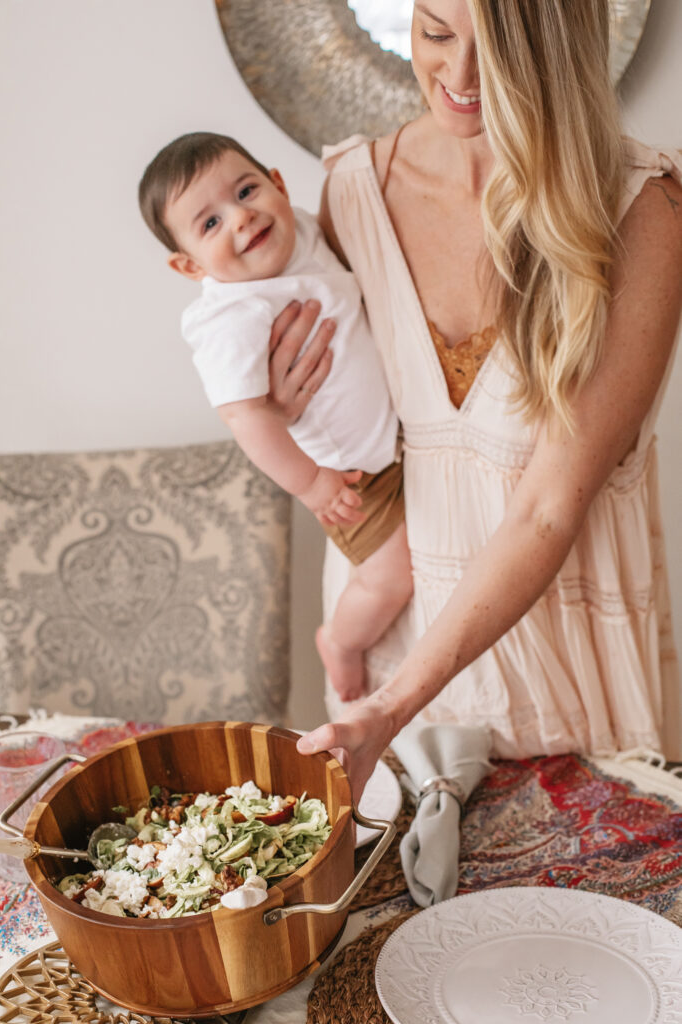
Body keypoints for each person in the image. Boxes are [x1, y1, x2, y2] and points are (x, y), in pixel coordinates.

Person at [265, 0, 682, 798]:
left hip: (565, 652)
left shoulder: (640, 208)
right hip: (394, 645)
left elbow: (549, 509)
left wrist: (390, 706)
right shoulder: (354, 189)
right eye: (434, 33)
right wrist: (287, 414)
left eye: (496, 51)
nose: (456, 77)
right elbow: (359, 444)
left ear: (554, 52)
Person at [138, 133, 413, 702]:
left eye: (246, 190)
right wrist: (312, 485)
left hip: (395, 444)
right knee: (393, 579)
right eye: (209, 223)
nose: (240, 217)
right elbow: (244, 416)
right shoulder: (232, 315)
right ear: (190, 266)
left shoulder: (305, 232)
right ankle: (341, 642)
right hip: (348, 477)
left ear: (279, 185)